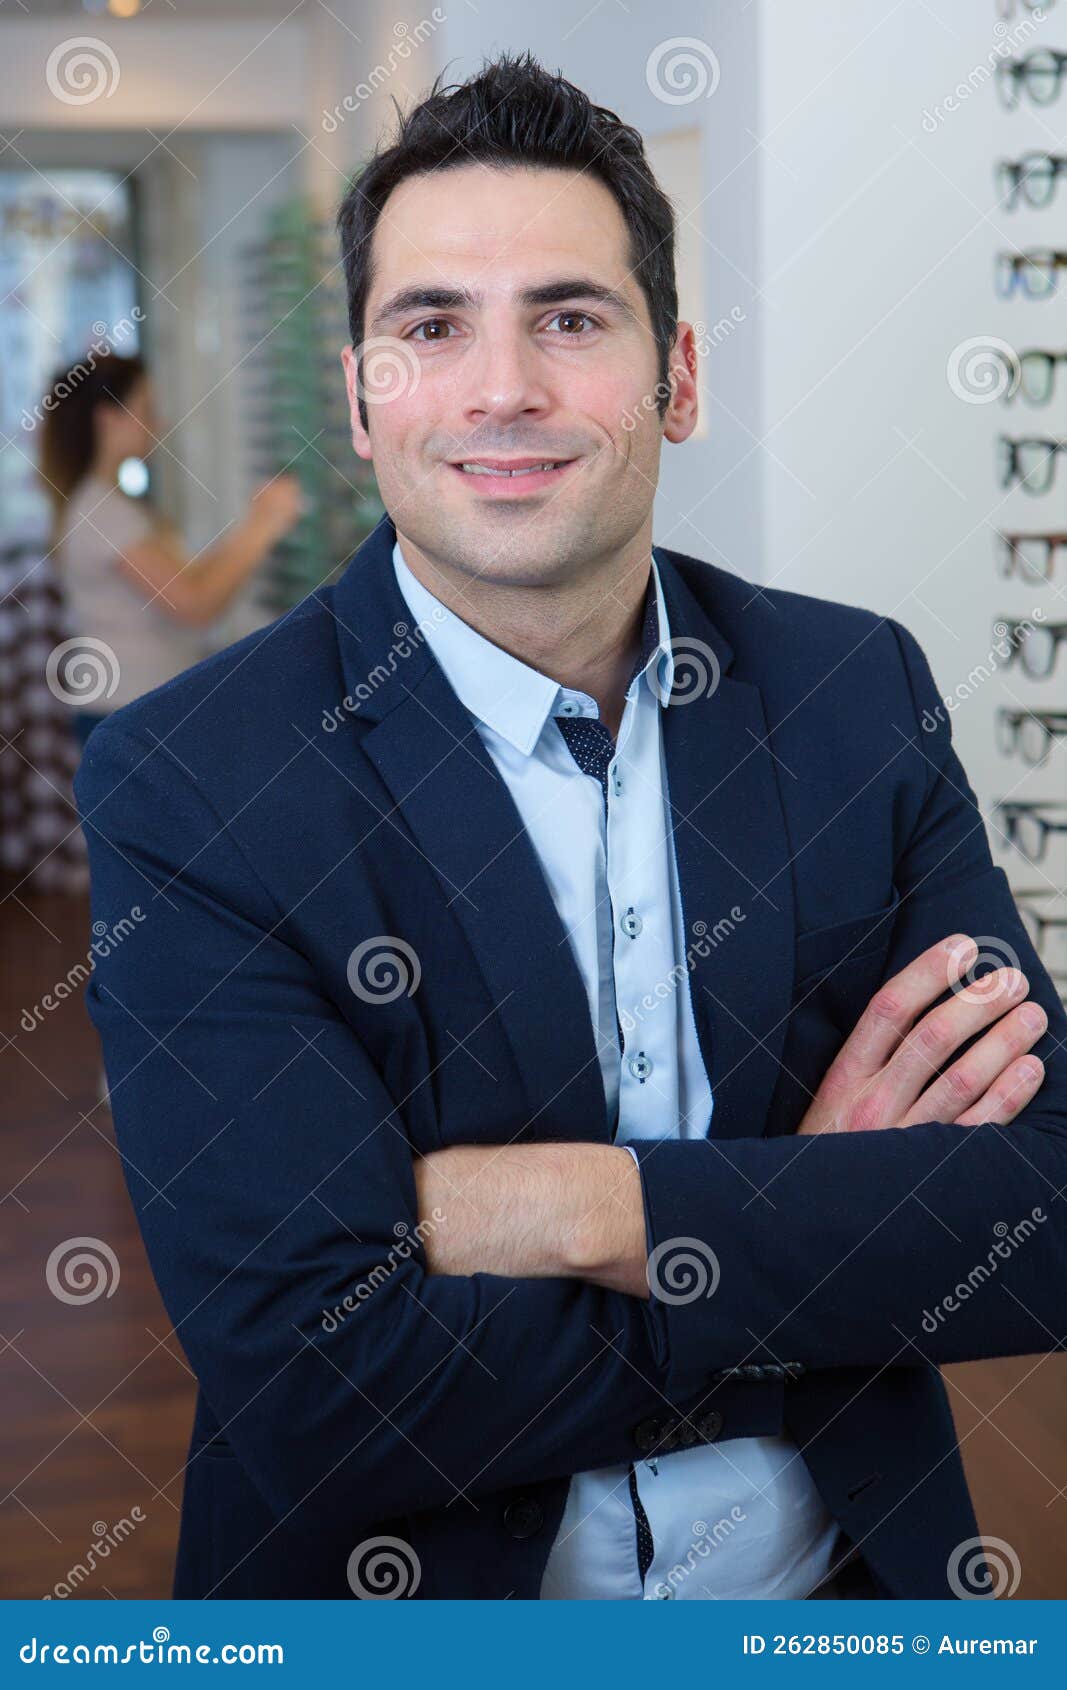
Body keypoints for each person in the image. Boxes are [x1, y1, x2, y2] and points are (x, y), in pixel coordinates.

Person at [73, 54, 1066, 1602]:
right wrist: (804, 1214)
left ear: (676, 373)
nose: (500, 391)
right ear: (357, 396)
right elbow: (323, 1382)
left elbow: (1040, 1211)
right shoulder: (199, 779)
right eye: (430, 327)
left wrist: (582, 1203)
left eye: (568, 317)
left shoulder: (849, 692)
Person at [39, 351, 302, 748]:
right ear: (108, 419)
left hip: (132, 713)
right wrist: (263, 525)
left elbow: (188, 578)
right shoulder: (101, 511)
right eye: (145, 409)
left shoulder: (108, 502)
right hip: (127, 719)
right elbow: (194, 603)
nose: (156, 423)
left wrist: (254, 526)